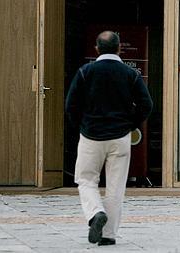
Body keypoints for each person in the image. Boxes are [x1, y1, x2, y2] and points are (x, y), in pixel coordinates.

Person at [65, 31, 153, 246]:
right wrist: (130, 124)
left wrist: (81, 126)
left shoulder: (86, 72)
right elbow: (146, 105)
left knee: (86, 180)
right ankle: (108, 235)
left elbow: (71, 106)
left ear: (96, 48)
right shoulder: (130, 74)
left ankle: (95, 213)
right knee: (116, 187)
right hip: (120, 137)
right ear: (119, 48)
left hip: (91, 136)